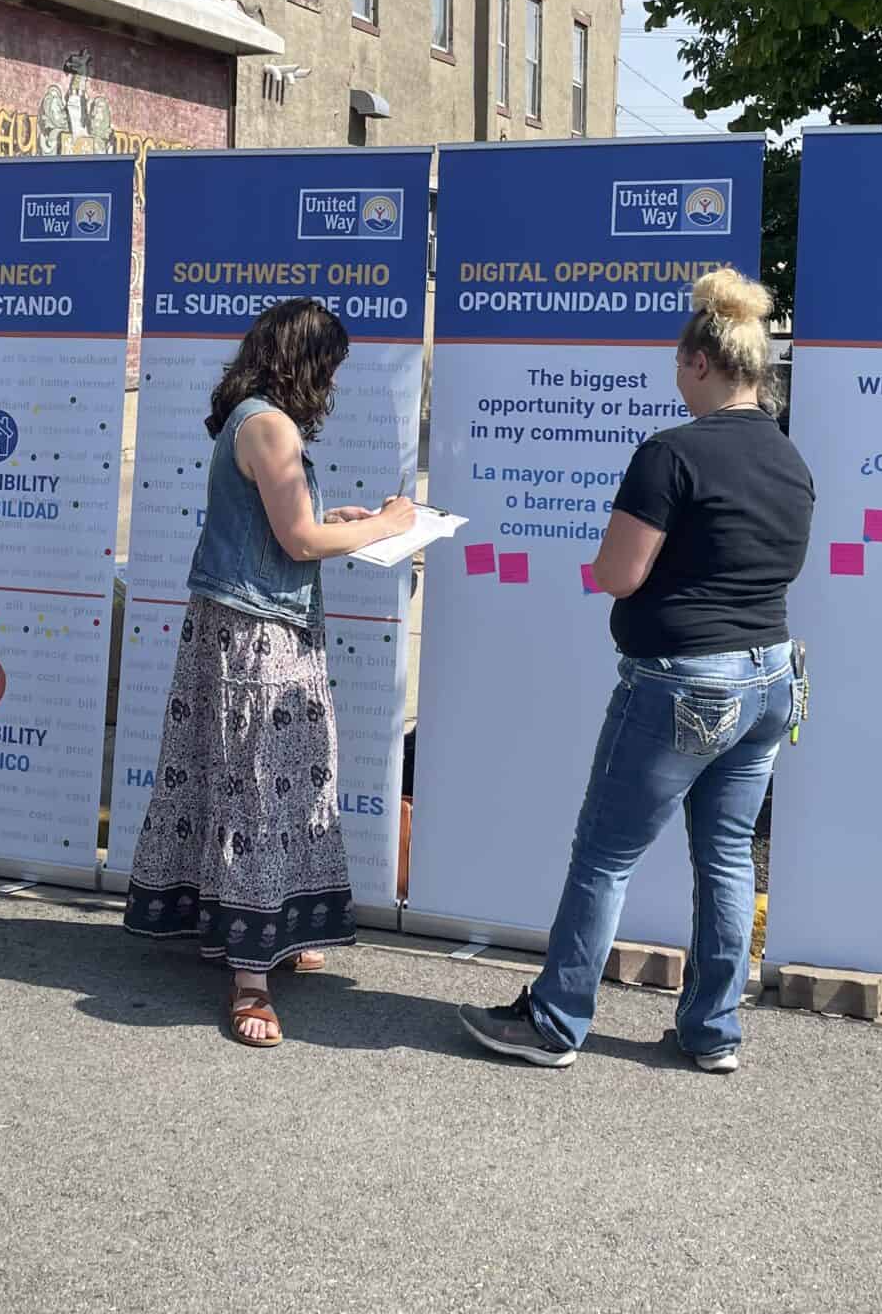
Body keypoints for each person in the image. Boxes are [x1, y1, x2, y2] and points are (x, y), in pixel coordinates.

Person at [459, 270, 815, 1074]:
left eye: (676, 364)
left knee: (604, 854)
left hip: (684, 681)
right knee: (725, 857)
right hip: (770, 679)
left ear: (699, 362)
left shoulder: (670, 454)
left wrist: (601, 567)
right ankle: (713, 1032)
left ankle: (554, 1021)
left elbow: (618, 574)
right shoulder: (790, 459)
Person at [122, 298, 417, 1047]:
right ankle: (251, 976)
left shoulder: (251, 418)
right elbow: (293, 542)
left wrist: (338, 521)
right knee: (261, 785)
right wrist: (390, 526)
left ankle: (269, 929)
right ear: (307, 362)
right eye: (332, 368)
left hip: (247, 625)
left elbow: (284, 525)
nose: (334, 384)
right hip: (257, 635)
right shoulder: (270, 425)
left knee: (262, 779)